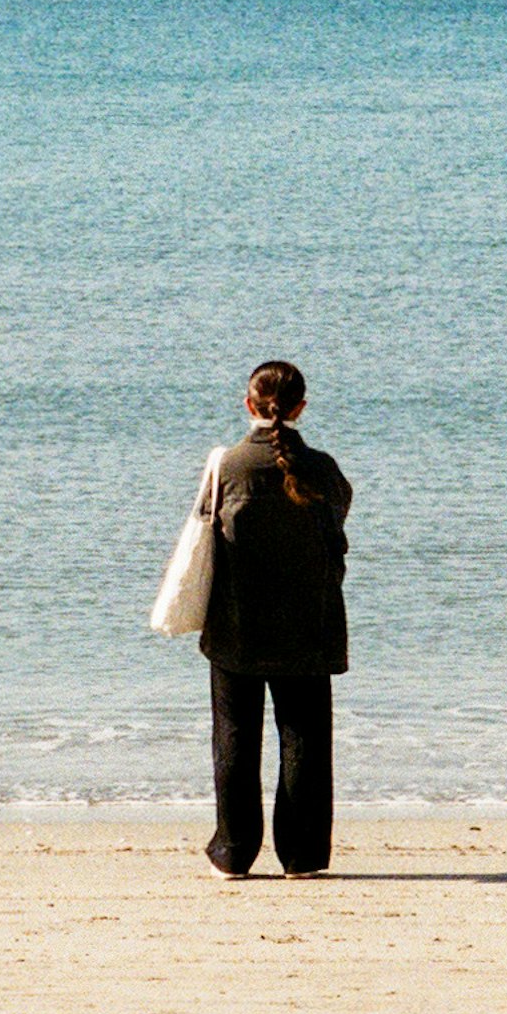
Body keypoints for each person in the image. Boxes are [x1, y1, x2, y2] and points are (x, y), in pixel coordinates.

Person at [197, 358, 351, 879]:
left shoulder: (228, 466)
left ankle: (234, 853)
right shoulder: (323, 468)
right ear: (301, 408)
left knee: (235, 736)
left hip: (237, 622)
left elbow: (204, 528)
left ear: (249, 405)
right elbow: (338, 520)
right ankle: (302, 855)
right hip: (309, 621)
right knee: (304, 735)